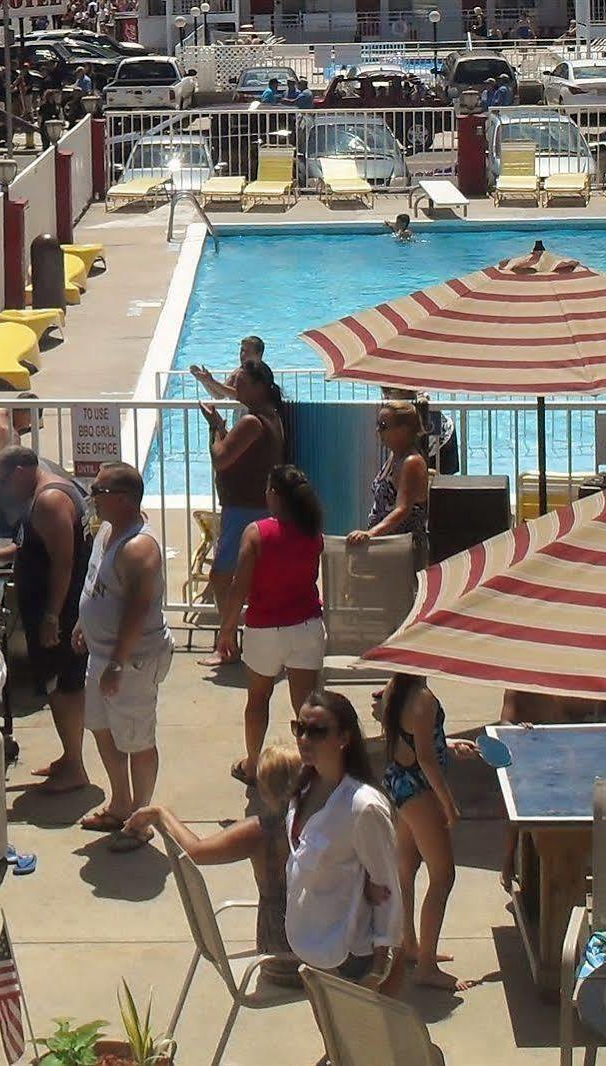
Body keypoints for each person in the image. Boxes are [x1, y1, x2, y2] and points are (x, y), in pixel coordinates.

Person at [0, 446, 93, 794]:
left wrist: (52, 615)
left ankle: (76, 768)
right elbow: (32, 546)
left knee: (61, 686)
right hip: (55, 609)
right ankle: (70, 757)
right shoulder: (49, 490)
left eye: (4, 481)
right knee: (62, 684)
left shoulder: (49, 501)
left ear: (21, 470)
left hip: (59, 612)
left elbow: (63, 561)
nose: (4, 489)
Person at [126, 743, 308, 987]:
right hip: (308, 962)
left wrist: (162, 814)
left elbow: (196, 852)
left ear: (263, 789)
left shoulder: (258, 831)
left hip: (274, 952)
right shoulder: (317, 827)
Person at [77, 461, 174, 850]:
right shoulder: (106, 532)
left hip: (131, 660)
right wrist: (84, 625)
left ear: (122, 499)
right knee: (101, 729)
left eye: (98, 492)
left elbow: (136, 610)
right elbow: (98, 585)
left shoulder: (139, 548)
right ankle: (119, 804)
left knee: (137, 739)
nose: (92, 499)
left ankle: (139, 819)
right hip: (101, 654)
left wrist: (117, 662)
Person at [217, 464, 325, 786]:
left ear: (275, 495)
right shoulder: (312, 532)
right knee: (306, 707)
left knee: (258, 699)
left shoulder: (257, 532)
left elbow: (240, 584)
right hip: (306, 625)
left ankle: (252, 764)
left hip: (265, 628)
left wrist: (227, 627)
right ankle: (313, 766)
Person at [286, 689, 402, 986]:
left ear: (344, 738)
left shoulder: (364, 806)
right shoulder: (304, 785)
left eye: (317, 731)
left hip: (346, 955)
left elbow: (388, 886)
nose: (303, 739)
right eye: (299, 728)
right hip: (309, 942)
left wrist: (379, 967)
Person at [376, 673, 473, 992]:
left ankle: (410, 946)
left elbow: (414, 741)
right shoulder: (423, 699)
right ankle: (426, 967)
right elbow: (427, 760)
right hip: (419, 792)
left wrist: (449, 744)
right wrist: (448, 804)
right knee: (443, 876)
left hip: (398, 782)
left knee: (406, 868)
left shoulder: (394, 689)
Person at [198, 360, 286, 667]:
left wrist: (213, 429)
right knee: (251, 578)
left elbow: (221, 459)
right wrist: (223, 427)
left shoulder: (252, 421)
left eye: (243, 383)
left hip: (243, 510)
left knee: (222, 578)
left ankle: (227, 645)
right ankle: (242, 642)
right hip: (258, 506)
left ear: (259, 387)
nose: (237, 389)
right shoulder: (272, 416)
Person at [348, 398, 431, 549]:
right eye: (378, 425)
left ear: (403, 430)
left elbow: (403, 509)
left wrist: (371, 533)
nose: (378, 430)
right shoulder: (395, 456)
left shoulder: (412, 462)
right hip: (387, 546)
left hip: (404, 550)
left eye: (384, 426)